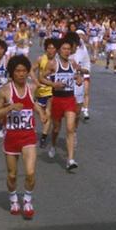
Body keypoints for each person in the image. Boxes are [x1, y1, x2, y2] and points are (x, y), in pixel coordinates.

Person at [0, 55, 47, 219]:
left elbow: (33, 103)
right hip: (11, 138)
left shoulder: (31, 88)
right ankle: (13, 198)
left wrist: (41, 112)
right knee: (12, 175)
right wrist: (10, 108)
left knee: (30, 173)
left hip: (28, 136)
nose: (22, 74)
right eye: (18, 71)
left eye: (24, 71)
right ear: (12, 73)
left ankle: (28, 201)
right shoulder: (4, 91)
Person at [44, 38, 79, 170]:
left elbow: (77, 75)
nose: (66, 51)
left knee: (70, 128)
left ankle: (70, 159)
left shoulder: (73, 63)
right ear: (59, 50)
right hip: (57, 100)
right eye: (64, 49)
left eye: (68, 49)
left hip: (70, 99)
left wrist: (79, 78)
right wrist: (54, 84)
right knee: (56, 129)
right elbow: (42, 77)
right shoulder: (53, 64)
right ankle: (53, 144)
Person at [33, 37, 57, 148]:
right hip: (41, 91)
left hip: (52, 91)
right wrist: (35, 81)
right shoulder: (40, 59)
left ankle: (43, 136)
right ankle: (39, 132)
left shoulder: (58, 61)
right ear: (45, 49)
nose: (51, 50)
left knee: (49, 114)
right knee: (41, 114)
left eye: (53, 48)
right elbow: (31, 70)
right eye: (49, 48)